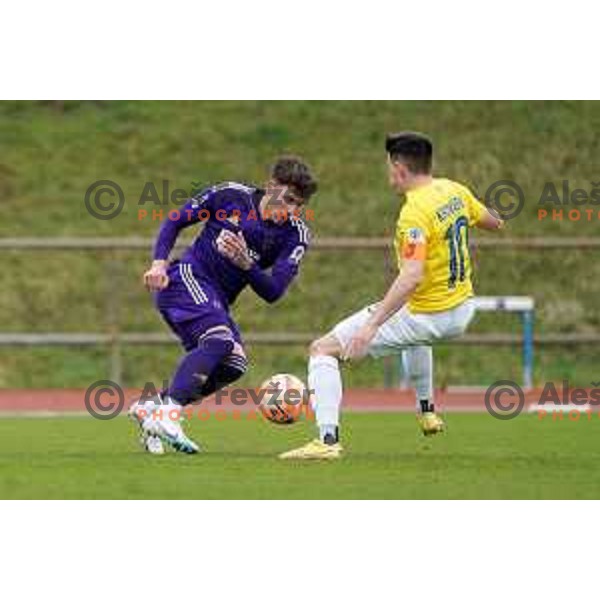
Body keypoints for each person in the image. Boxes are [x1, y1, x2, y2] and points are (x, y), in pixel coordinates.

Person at [280, 132, 503, 460]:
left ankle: (326, 441)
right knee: (414, 335)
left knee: (322, 350)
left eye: (388, 166)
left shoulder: (414, 213)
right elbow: (494, 222)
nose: (388, 173)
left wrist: (370, 328)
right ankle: (427, 410)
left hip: (429, 314)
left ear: (399, 168)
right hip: (461, 310)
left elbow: (411, 276)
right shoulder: (455, 191)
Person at [131, 156, 317, 454]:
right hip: (185, 280)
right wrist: (158, 265)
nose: (291, 210)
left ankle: (152, 407)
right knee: (219, 339)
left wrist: (246, 265)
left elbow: (273, 292)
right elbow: (175, 220)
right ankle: (169, 414)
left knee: (234, 364)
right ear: (270, 187)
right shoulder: (231, 196)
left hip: (216, 301)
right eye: (288, 199)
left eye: (299, 204)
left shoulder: (296, 234)